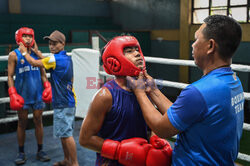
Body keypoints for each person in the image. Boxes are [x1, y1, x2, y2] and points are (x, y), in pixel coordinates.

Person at [127, 15, 244, 165]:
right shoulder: (233, 81)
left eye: (196, 39)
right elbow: (184, 114)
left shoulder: (199, 91)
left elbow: (162, 129)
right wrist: (153, 90)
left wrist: (139, 92)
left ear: (210, 46)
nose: (193, 45)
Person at [79, 35, 172, 166]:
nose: (137, 54)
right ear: (114, 59)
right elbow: (85, 138)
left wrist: (154, 137)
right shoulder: (105, 95)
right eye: (129, 51)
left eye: (137, 50)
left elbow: (150, 124)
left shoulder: (146, 89)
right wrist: (118, 151)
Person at [20, 30, 78, 166]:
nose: (51, 46)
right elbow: (48, 61)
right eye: (50, 44)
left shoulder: (55, 59)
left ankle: (74, 163)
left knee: (67, 135)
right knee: (63, 134)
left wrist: (24, 51)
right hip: (66, 100)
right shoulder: (66, 57)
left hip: (64, 102)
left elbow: (34, 63)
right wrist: (38, 52)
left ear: (62, 44)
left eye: (55, 44)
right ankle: (67, 160)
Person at [7, 27, 52, 165]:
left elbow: (43, 73)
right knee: (22, 123)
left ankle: (40, 150)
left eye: (30, 36)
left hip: (38, 94)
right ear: (19, 37)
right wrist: (12, 92)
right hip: (22, 95)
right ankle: (21, 152)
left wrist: (47, 85)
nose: (28, 39)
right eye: (25, 36)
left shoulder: (36, 54)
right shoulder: (14, 55)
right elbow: (9, 75)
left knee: (39, 121)